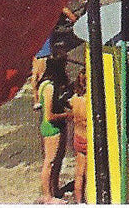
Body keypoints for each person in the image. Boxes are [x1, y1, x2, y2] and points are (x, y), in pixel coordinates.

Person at [38, 55, 71, 202]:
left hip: (58, 126)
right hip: (52, 128)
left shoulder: (49, 85)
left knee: (58, 159)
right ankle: (47, 195)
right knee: (50, 161)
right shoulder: (49, 87)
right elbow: (49, 115)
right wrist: (67, 115)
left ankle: (55, 189)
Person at [67, 69, 89, 203]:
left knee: (79, 173)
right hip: (88, 139)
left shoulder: (74, 99)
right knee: (89, 173)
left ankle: (79, 201)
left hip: (78, 137)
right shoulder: (89, 101)